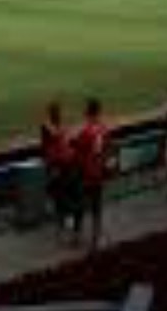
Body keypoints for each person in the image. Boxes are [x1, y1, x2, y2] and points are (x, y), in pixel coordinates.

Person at [71, 98, 114, 249]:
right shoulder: (104, 128)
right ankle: (97, 233)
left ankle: (77, 235)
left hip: (85, 173)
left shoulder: (85, 131)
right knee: (97, 204)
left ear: (87, 112)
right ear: (99, 112)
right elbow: (108, 149)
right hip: (98, 172)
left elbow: (77, 153)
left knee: (79, 205)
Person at [39, 101, 75, 239]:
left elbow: (47, 142)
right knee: (62, 189)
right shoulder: (60, 127)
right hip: (62, 162)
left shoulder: (49, 127)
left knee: (58, 190)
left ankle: (62, 217)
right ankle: (65, 217)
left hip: (57, 163)